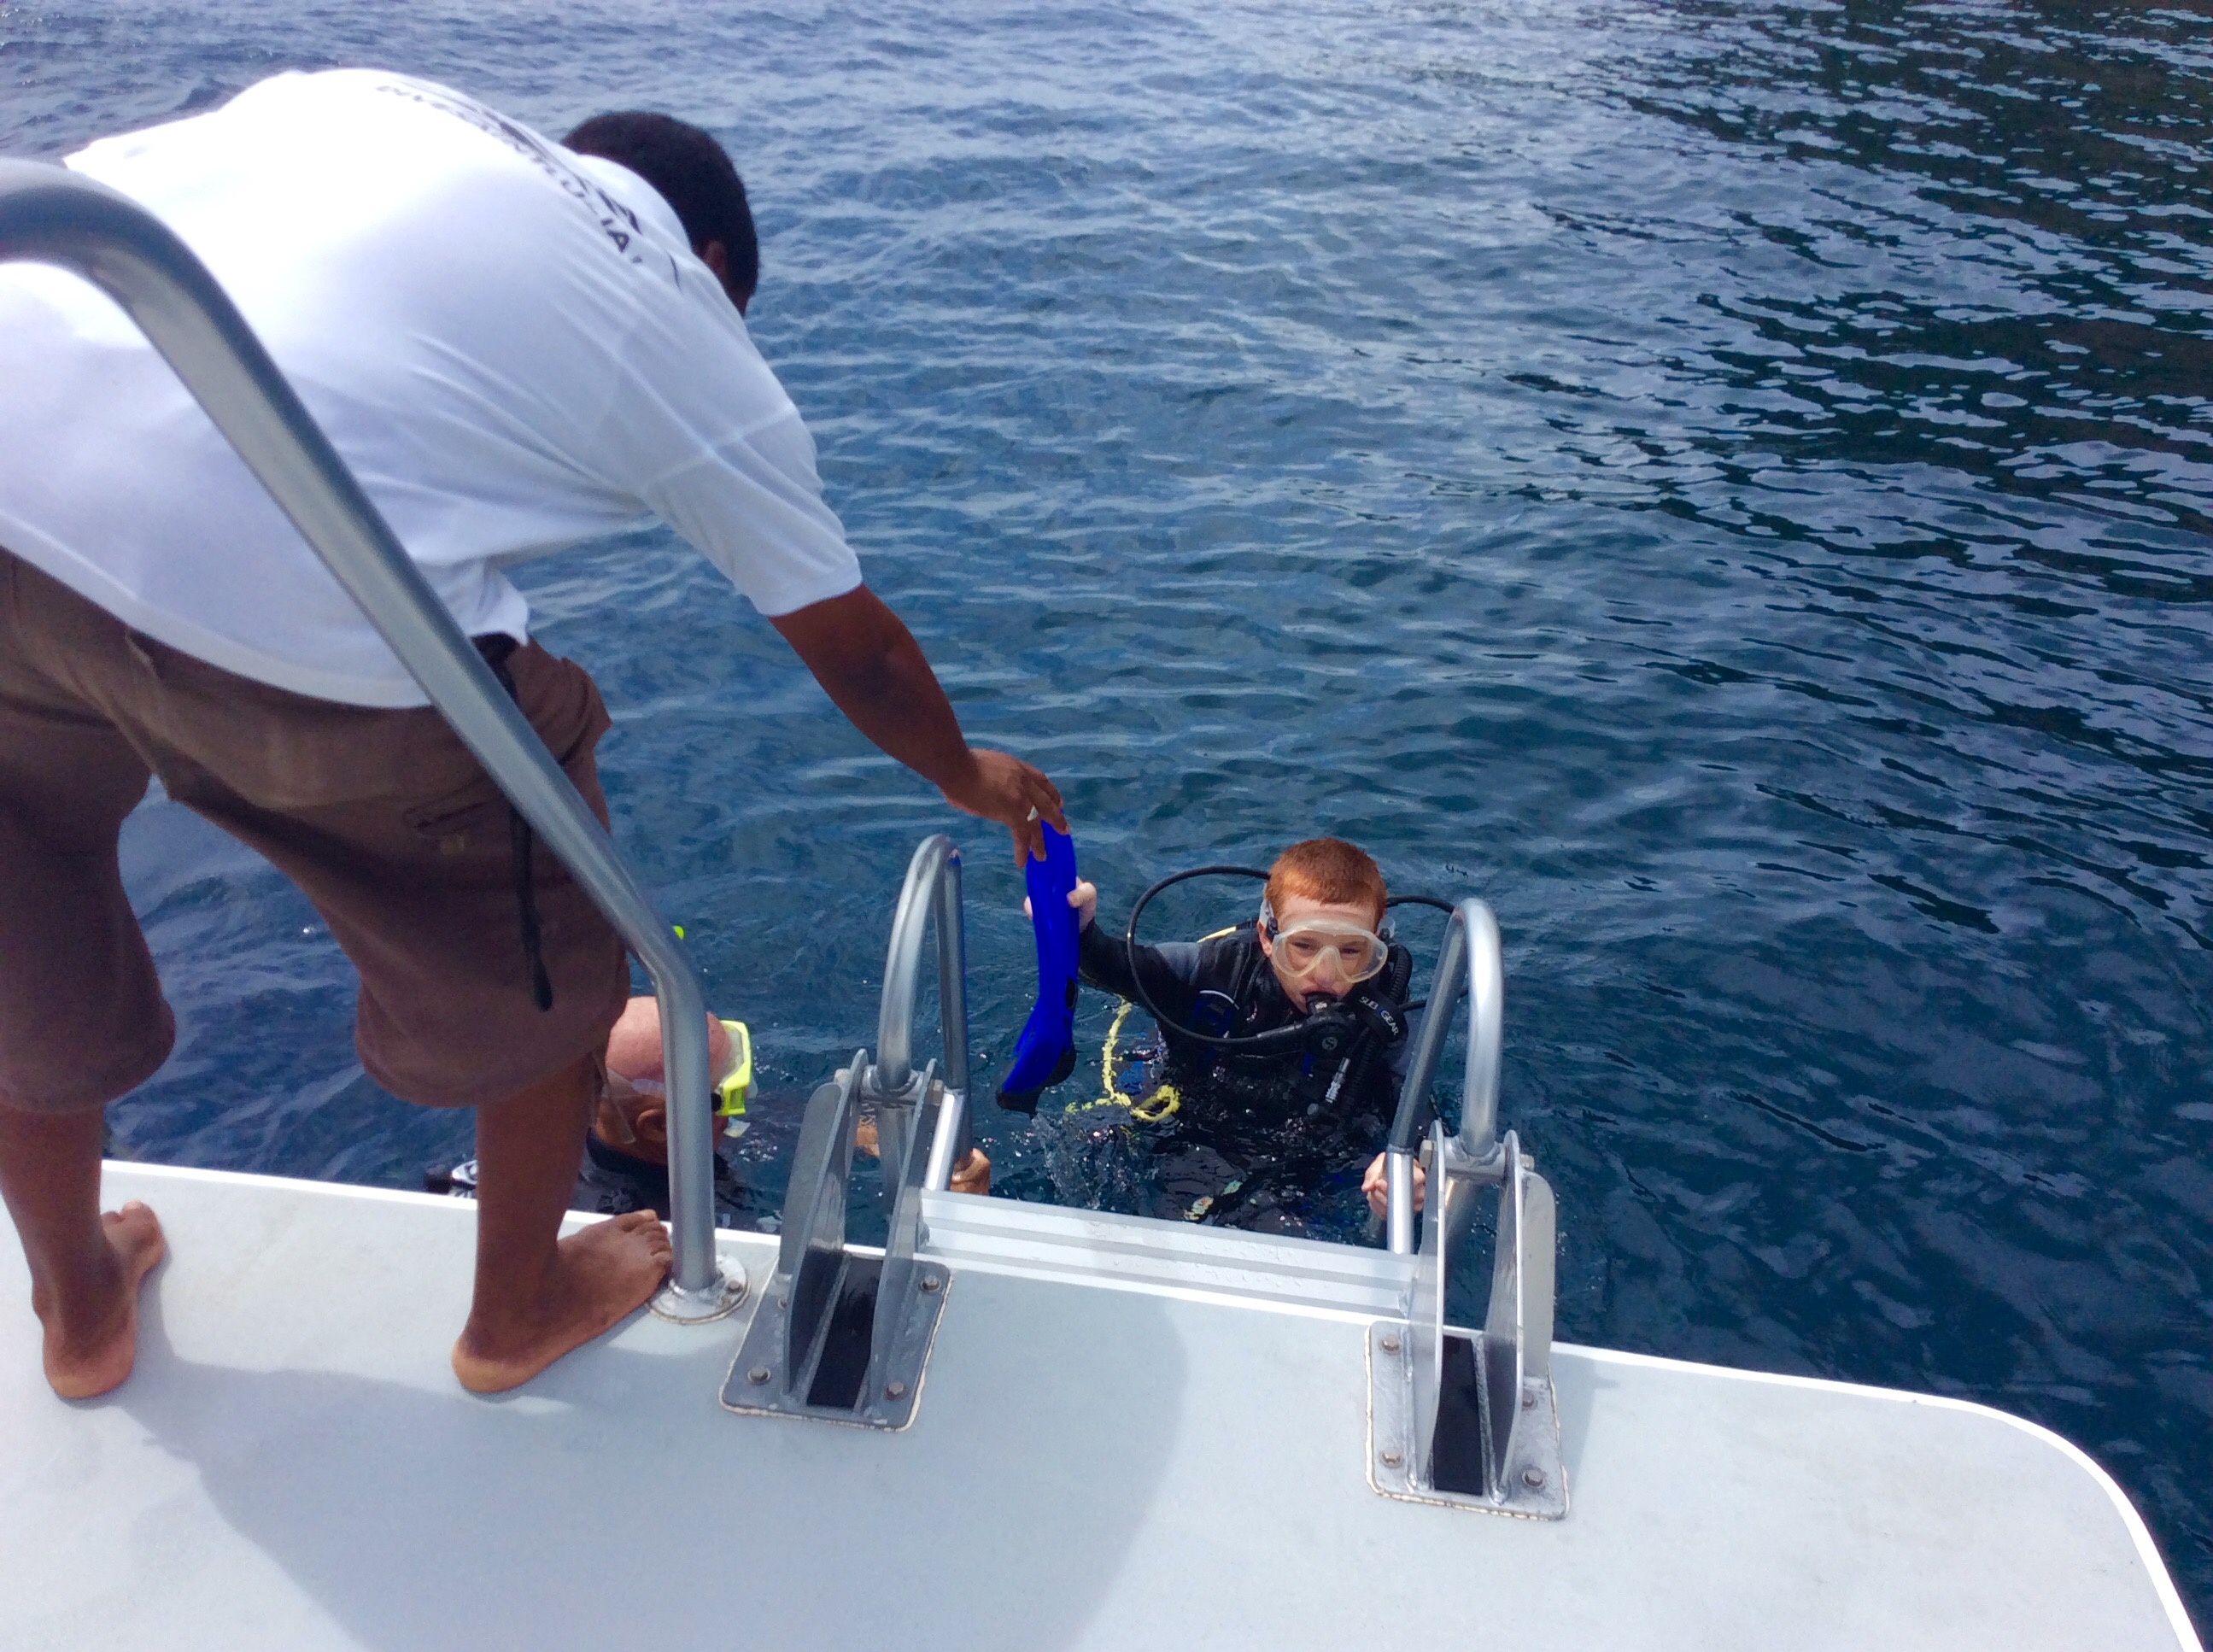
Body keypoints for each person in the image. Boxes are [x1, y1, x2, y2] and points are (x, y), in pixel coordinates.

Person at [0, 72, 1063, 1400]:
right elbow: (857, 645)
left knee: (22, 918)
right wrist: (967, 772)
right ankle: (515, 1307)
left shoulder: (367, 103)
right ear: (718, 261)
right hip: (280, 587)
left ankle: (75, 1297)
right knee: (563, 929)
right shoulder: (674, 307)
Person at [1055, 838, 1429, 1236]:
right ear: (1269, 937)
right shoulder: (1218, 970)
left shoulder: (1388, 1020)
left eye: (1352, 951)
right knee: (1089, 1147)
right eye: (1303, 946)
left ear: (1378, 946)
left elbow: (1423, 1127)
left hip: (1309, 1161)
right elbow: (1113, 965)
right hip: (1187, 1125)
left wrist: (1407, 1176)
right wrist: (1078, 929)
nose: (1326, 973)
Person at [431, 996, 991, 1220]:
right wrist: (955, 1218)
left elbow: (822, 1128)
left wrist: (918, 1157)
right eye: (732, 1091)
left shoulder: (604, 1131)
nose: (745, 1102)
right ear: (664, 1126)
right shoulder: (631, 1222)